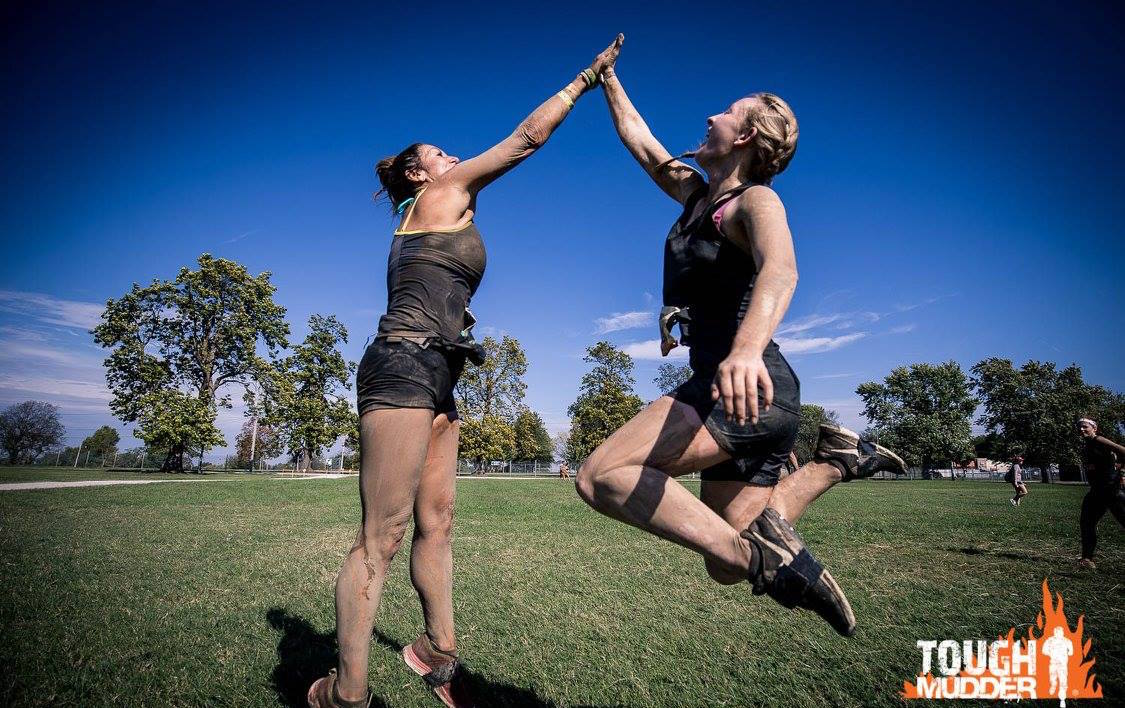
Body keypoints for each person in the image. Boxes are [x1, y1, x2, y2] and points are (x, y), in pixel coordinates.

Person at [308, 36, 625, 708]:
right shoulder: (445, 192)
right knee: (381, 537)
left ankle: (437, 653)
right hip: (399, 368)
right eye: (440, 155)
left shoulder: (428, 210)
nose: (452, 159)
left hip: (437, 371)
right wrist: (582, 81)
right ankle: (348, 693)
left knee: (438, 522)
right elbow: (523, 140)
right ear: (421, 176)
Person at [575, 54, 905, 638]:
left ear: (747, 135)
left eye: (725, 113)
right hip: (742, 392)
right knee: (721, 562)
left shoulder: (755, 202)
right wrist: (608, 80)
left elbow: (780, 270)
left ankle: (773, 564)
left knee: (602, 474)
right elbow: (644, 144)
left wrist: (746, 349)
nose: (710, 116)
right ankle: (833, 464)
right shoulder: (695, 196)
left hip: (747, 386)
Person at [1076, 417, 1125, 570]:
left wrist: (1121, 471)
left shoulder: (1099, 440)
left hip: (1111, 490)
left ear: (1094, 428)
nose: (1081, 429)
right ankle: (1087, 559)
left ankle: (1087, 558)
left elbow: (1123, 450)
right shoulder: (1088, 445)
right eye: (1079, 428)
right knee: (1087, 522)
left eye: (1085, 427)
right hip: (1097, 490)